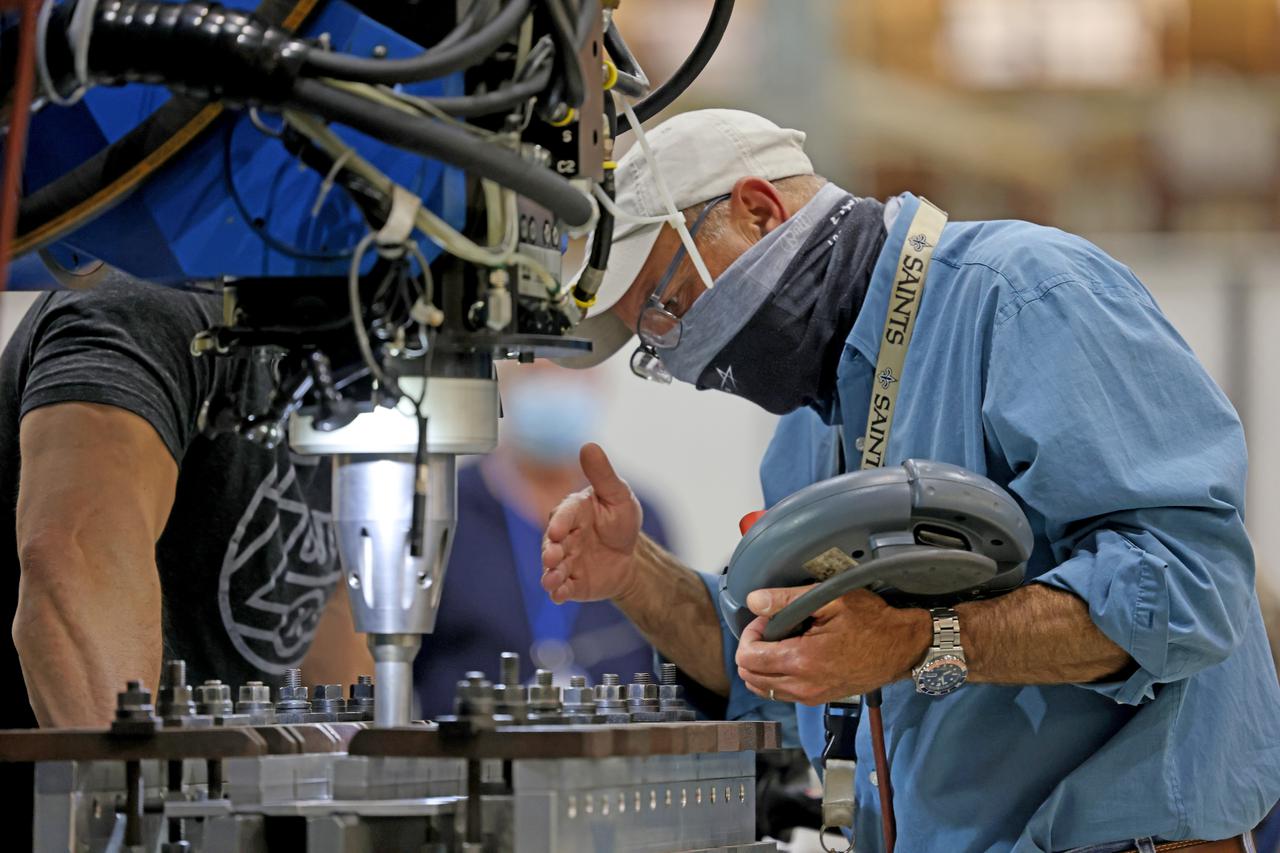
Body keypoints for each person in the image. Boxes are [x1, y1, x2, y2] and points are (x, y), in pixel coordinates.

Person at [542, 109, 1280, 853]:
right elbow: (767, 657)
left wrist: (922, 643)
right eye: (654, 348)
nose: (685, 361)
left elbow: (1189, 587)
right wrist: (636, 573)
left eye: (669, 310)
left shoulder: (1025, 297)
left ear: (759, 211)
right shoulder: (807, 434)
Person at [0, 280, 370, 846]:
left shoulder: (353, 351)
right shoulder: (141, 302)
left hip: (227, 813)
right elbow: (73, 560)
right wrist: (140, 817)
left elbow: (326, 612)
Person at [414, 361, 672, 717]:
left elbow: (671, 651)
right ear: (502, 385)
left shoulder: (638, 519)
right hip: (469, 754)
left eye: (570, 369)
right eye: (535, 374)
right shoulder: (446, 512)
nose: (554, 386)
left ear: (598, 383)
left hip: (615, 759)